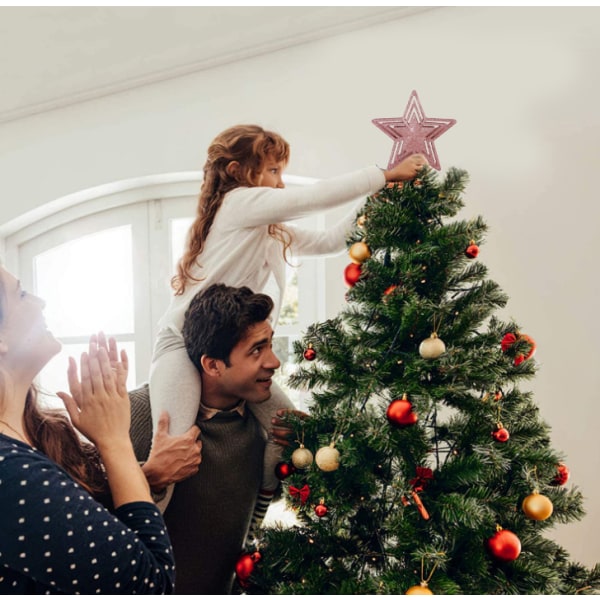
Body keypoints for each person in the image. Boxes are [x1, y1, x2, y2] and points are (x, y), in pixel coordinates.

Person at [149, 123, 427, 517]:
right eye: (273, 171)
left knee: (289, 430)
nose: (279, 184)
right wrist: (382, 173)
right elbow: (312, 198)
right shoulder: (239, 204)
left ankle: (259, 511)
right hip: (183, 343)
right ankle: (146, 535)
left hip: (231, 347)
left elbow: (331, 241)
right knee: (172, 446)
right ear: (236, 173)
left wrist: (378, 198)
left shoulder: (270, 229)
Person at [0, 266, 175, 594]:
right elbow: (153, 585)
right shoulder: (9, 471)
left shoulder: (36, 430)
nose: (40, 301)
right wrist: (115, 440)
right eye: (21, 294)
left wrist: (145, 473)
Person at [160, 283, 282, 594]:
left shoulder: (262, 430)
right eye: (257, 349)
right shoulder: (145, 416)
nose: (274, 362)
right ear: (213, 365)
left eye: (270, 345)